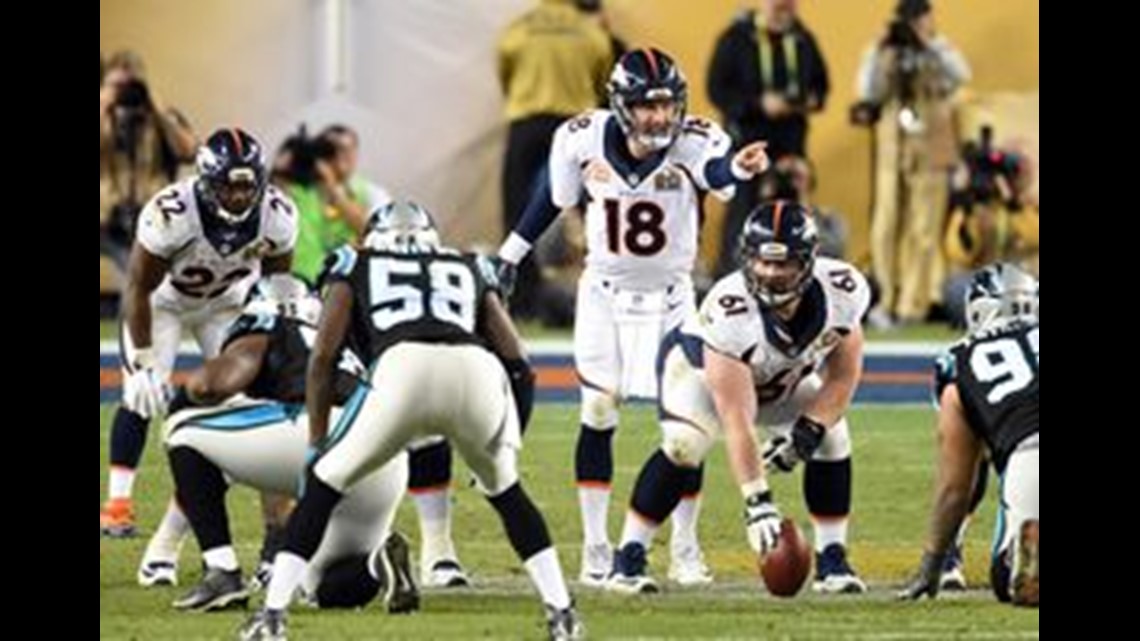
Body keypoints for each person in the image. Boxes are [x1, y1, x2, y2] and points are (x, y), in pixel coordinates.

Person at [241, 202, 581, 641]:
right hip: (475, 370)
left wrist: (317, 439)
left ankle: (272, 617)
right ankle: (563, 614)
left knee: (324, 484)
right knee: (508, 492)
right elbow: (519, 363)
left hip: (402, 366)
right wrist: (509, 445)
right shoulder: (468, 263)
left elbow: (323, 357)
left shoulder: (354, 261)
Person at [496, 48, 771, 587]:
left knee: (688, 423)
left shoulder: (696, 140)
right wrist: (509, 254)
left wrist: (736, 166)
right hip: (603, 292)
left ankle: (685, 548)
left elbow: (717, 174)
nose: (659, 117)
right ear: (621, 106)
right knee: (598, 411)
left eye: (667, 105)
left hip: (672, 294)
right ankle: (596, 547)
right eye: (646, 106)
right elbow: (552, 201)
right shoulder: (579, 137)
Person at [608, 202, 870, 595]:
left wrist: (808, 432)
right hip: (700, 375)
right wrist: (757, 500)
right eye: (762, 262)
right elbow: (736, 417)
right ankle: (627, 557)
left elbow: (844, 376)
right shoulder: (729, 308)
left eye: (783, 265)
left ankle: (832, 559)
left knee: (833, 437)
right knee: (685, 445)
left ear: (809, 262)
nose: (770, 274)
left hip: (777, 381)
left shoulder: (843, 291)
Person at [163, 275, 416, 614]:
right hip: (386, 454)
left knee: (181, 429)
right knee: (320, 586)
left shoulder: (265, 323)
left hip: (320, 430)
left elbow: (213, 385)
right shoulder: (342, 336)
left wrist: (189, 390)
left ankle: (221, 570)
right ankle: (376, 564)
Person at [100, 129, 298, 547]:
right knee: (142, 394)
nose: (239, 195)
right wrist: (142, 360)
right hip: (165, 302)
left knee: (244, 401)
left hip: (227, 303)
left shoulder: (278, 214)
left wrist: (272, 341)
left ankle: (258, 521)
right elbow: (137, 287)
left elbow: (278, 284)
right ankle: (117, 503)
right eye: (229, 184)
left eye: (247, 185)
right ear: (207, 181)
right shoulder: (171, 212)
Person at [900, 263, 1038, 607]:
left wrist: (932, 564)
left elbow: (954, 489)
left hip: (1030, 455)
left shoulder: (957, 362)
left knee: (1006, 581)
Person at [853, 0, 970, 325]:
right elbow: (867, 91)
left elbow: (961, 75)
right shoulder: (885, 51)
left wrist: (930, 44)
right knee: (886, 222)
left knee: (925, 227)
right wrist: (880, 52)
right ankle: (883, 300)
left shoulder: (938, 49)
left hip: (931, 143)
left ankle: (913, 305)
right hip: (893, 142)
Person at [707, 0, 830, 276]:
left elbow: (821, 85)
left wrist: (810, 100)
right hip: (747, 143)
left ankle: (795, 280)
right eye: (777, 5)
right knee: (742, 215)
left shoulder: (802, 38)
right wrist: (758, 105)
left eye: (789, 5)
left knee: (794, 216)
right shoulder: (736, 38)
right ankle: (731, 279)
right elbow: (717, 90)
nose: (784, 9)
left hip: (791, 145)